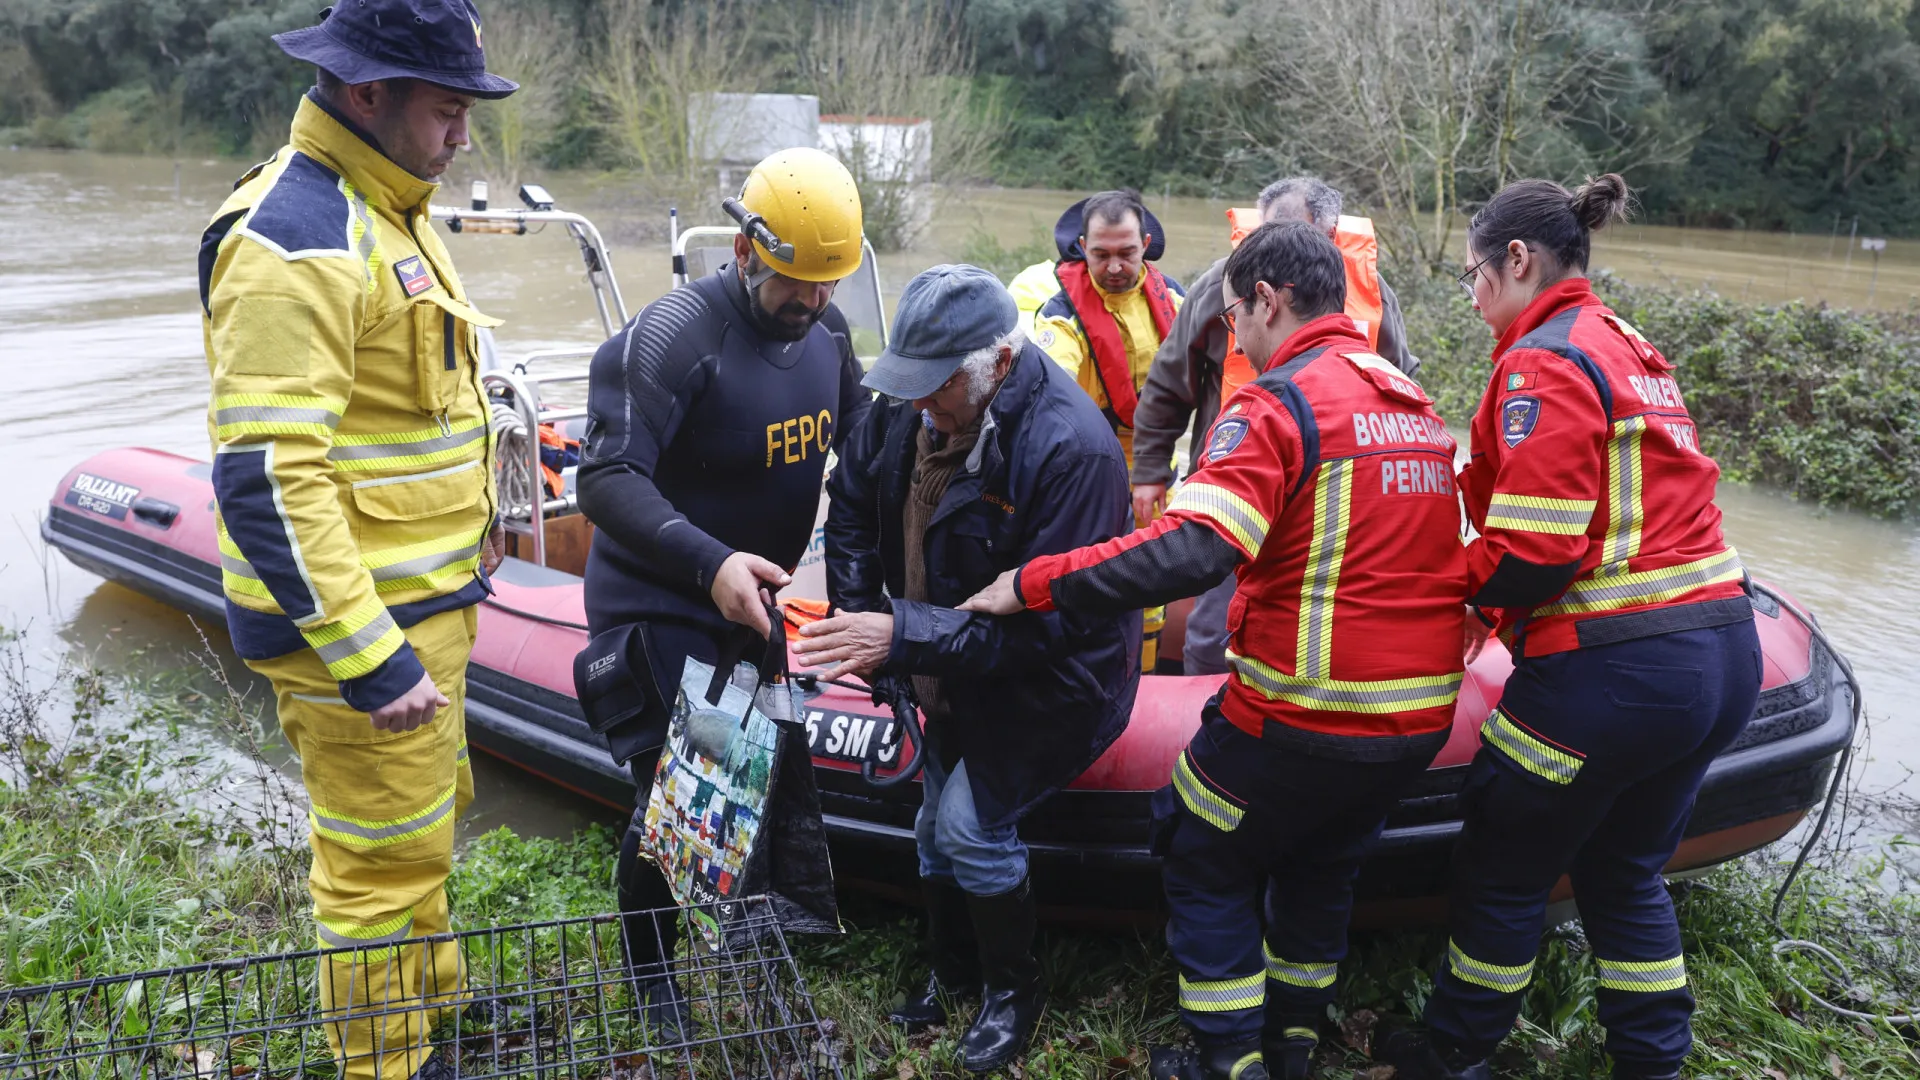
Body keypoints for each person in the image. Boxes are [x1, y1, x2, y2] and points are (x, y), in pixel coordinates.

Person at [961, 222, 1469, 1080]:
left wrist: (1035, 582)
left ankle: (1230, 1059)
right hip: (1419, 718)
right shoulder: (1412, 405)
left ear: (1269, 300)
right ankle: (1296, 1042)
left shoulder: (1279, 403)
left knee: (1200, 849)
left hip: (1306, 713)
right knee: (1323, 866)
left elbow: (1192, 550)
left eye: (1235, 316)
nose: (1234, 335)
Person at [1377, 176, 1761, 1080]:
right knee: (1626, 868)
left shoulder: (1543, 360)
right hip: (1722, 654)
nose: (1472, 300)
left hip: (1616, 672)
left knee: (1506, 855)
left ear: (1519, 260)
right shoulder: (1628, 344)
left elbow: (1538, 549)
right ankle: (1652, 1061)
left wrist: (1453, 598)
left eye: (1474, 277)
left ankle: (1455, 1051)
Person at [198, 4, 516, 1080]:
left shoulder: (390, 204)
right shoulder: (297, 236)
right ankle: (390, 1064)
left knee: (423, 829)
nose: (461, 136)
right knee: (377, 868)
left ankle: (434, 1012)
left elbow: (403, 418)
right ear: (366, 92)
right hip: (366, 633)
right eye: (446, 109)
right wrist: (368, 654)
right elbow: (267, 476)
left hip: (423, 606)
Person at [793, 265, 1139, 1074]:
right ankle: (950, 972)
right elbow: (848, 504)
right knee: (928, 826)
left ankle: (1012, 994)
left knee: (968, 828)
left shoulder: (1071, 451)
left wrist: (899, 637)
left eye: (938, 387)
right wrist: (858, 620)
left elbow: (1046, 633)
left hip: (1052, 680)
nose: (920, 404)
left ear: (1001, 365)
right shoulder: (906, 407)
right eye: (910, 383)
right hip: (934, 656)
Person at [574, 146, 871, 1036]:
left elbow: (859, 450)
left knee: (750, 791)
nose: (812, 302)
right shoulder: (671, 339)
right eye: (793, 282)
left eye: (828, 284)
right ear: (745, 250)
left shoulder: (830, 331)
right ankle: (654, 977)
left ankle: (749, 953)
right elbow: (607, 478)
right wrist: (712, 565)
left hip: (756, 603)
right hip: (661, 599)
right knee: (684, 800)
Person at [1131, 177, 1419, 676]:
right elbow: (1170, 377)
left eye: (1291, 235)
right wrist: (1151, 467)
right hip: (1237, 485)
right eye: (1265, 236)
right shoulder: (1224, 282)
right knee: (1213, 631)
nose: (1271, 252)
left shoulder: (1372, 293)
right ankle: (1205, 725)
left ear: (1329, 237)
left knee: (1322, 624)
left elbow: (1402, 383)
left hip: (1336, 500)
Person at [1014, 189, 1185, 669]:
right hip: (1090, 471)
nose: (1114, 266)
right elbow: (1052, 387)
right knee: (1087, 579)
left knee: (1153, 590)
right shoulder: (1060, 313)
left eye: (1127, 253)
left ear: (1146, 244)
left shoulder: (1175, 299)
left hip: (1158, 472)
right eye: (1101, 254)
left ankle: (1144, 679)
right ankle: (1084, 674)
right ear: (1082, 248)